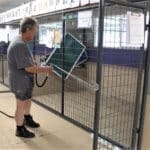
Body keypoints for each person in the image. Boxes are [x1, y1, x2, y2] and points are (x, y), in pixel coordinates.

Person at [7, 17, 52, 138]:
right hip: (20, 81)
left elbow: (27, 63)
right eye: (34, 30)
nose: (35, 33)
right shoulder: (19, 44)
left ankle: (27, 118)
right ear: (28, 29)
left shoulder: (21, 41)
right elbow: (28, 68)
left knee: (28, 99)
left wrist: (33, 63)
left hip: (25, 80)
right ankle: (20, 129)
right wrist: (45, 69)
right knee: (20, 105)